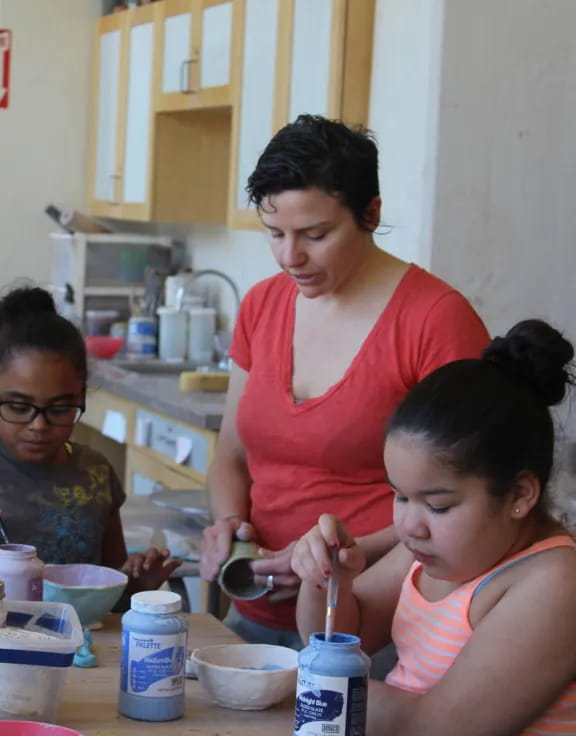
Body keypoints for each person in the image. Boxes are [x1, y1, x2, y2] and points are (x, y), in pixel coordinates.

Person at [200, 114, 490, 647]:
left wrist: (328, 560)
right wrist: (227, 525)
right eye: (275, 234)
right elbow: (231, 457)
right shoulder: (262, 305)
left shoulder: (435, 320)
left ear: (371, 213)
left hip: (377, 623)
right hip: (256, 617)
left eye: (316, 234)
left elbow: (465, 503)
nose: (292, 257)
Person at [293, 319, 576, 735]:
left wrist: (303, 688)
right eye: (400, 496)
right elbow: (341, 637)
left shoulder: (555, 583)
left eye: (438, 505)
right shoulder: (430, 550)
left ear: (519, 495)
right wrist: (325, 580)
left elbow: (435, 728)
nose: (409, 525)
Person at [0, 286, 179, 594]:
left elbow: (108, 587)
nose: (39, 425)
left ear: (81, 396)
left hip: (76, 639)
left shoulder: (95, 473)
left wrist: (137, 585)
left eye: (60, 409)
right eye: (19, 408)